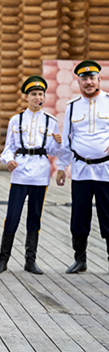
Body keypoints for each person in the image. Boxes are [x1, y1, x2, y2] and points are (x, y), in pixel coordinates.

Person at [0, 75, 64, 275]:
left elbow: (55, 151)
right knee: (12, 215)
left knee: (35, 216)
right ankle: (3, 259)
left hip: (40, 172)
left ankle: (30, 260)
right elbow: (8, 148)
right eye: (33, 94)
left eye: (41, 94)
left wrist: (58, 142)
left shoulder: (51, 122)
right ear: (27, 97)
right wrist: (9, 160)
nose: (37, 97)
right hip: (21, 172)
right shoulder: (16, 120)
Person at [56, 60, 109, 273]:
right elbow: (67, 140)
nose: (88, 82)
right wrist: (61, 167)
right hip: (81, 170)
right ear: (78, 81)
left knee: (108, 217)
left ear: (99, 79)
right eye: (84, 79)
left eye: (92, 78)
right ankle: (80, 259)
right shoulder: (72, 106)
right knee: (79, 216)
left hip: (106, 171)